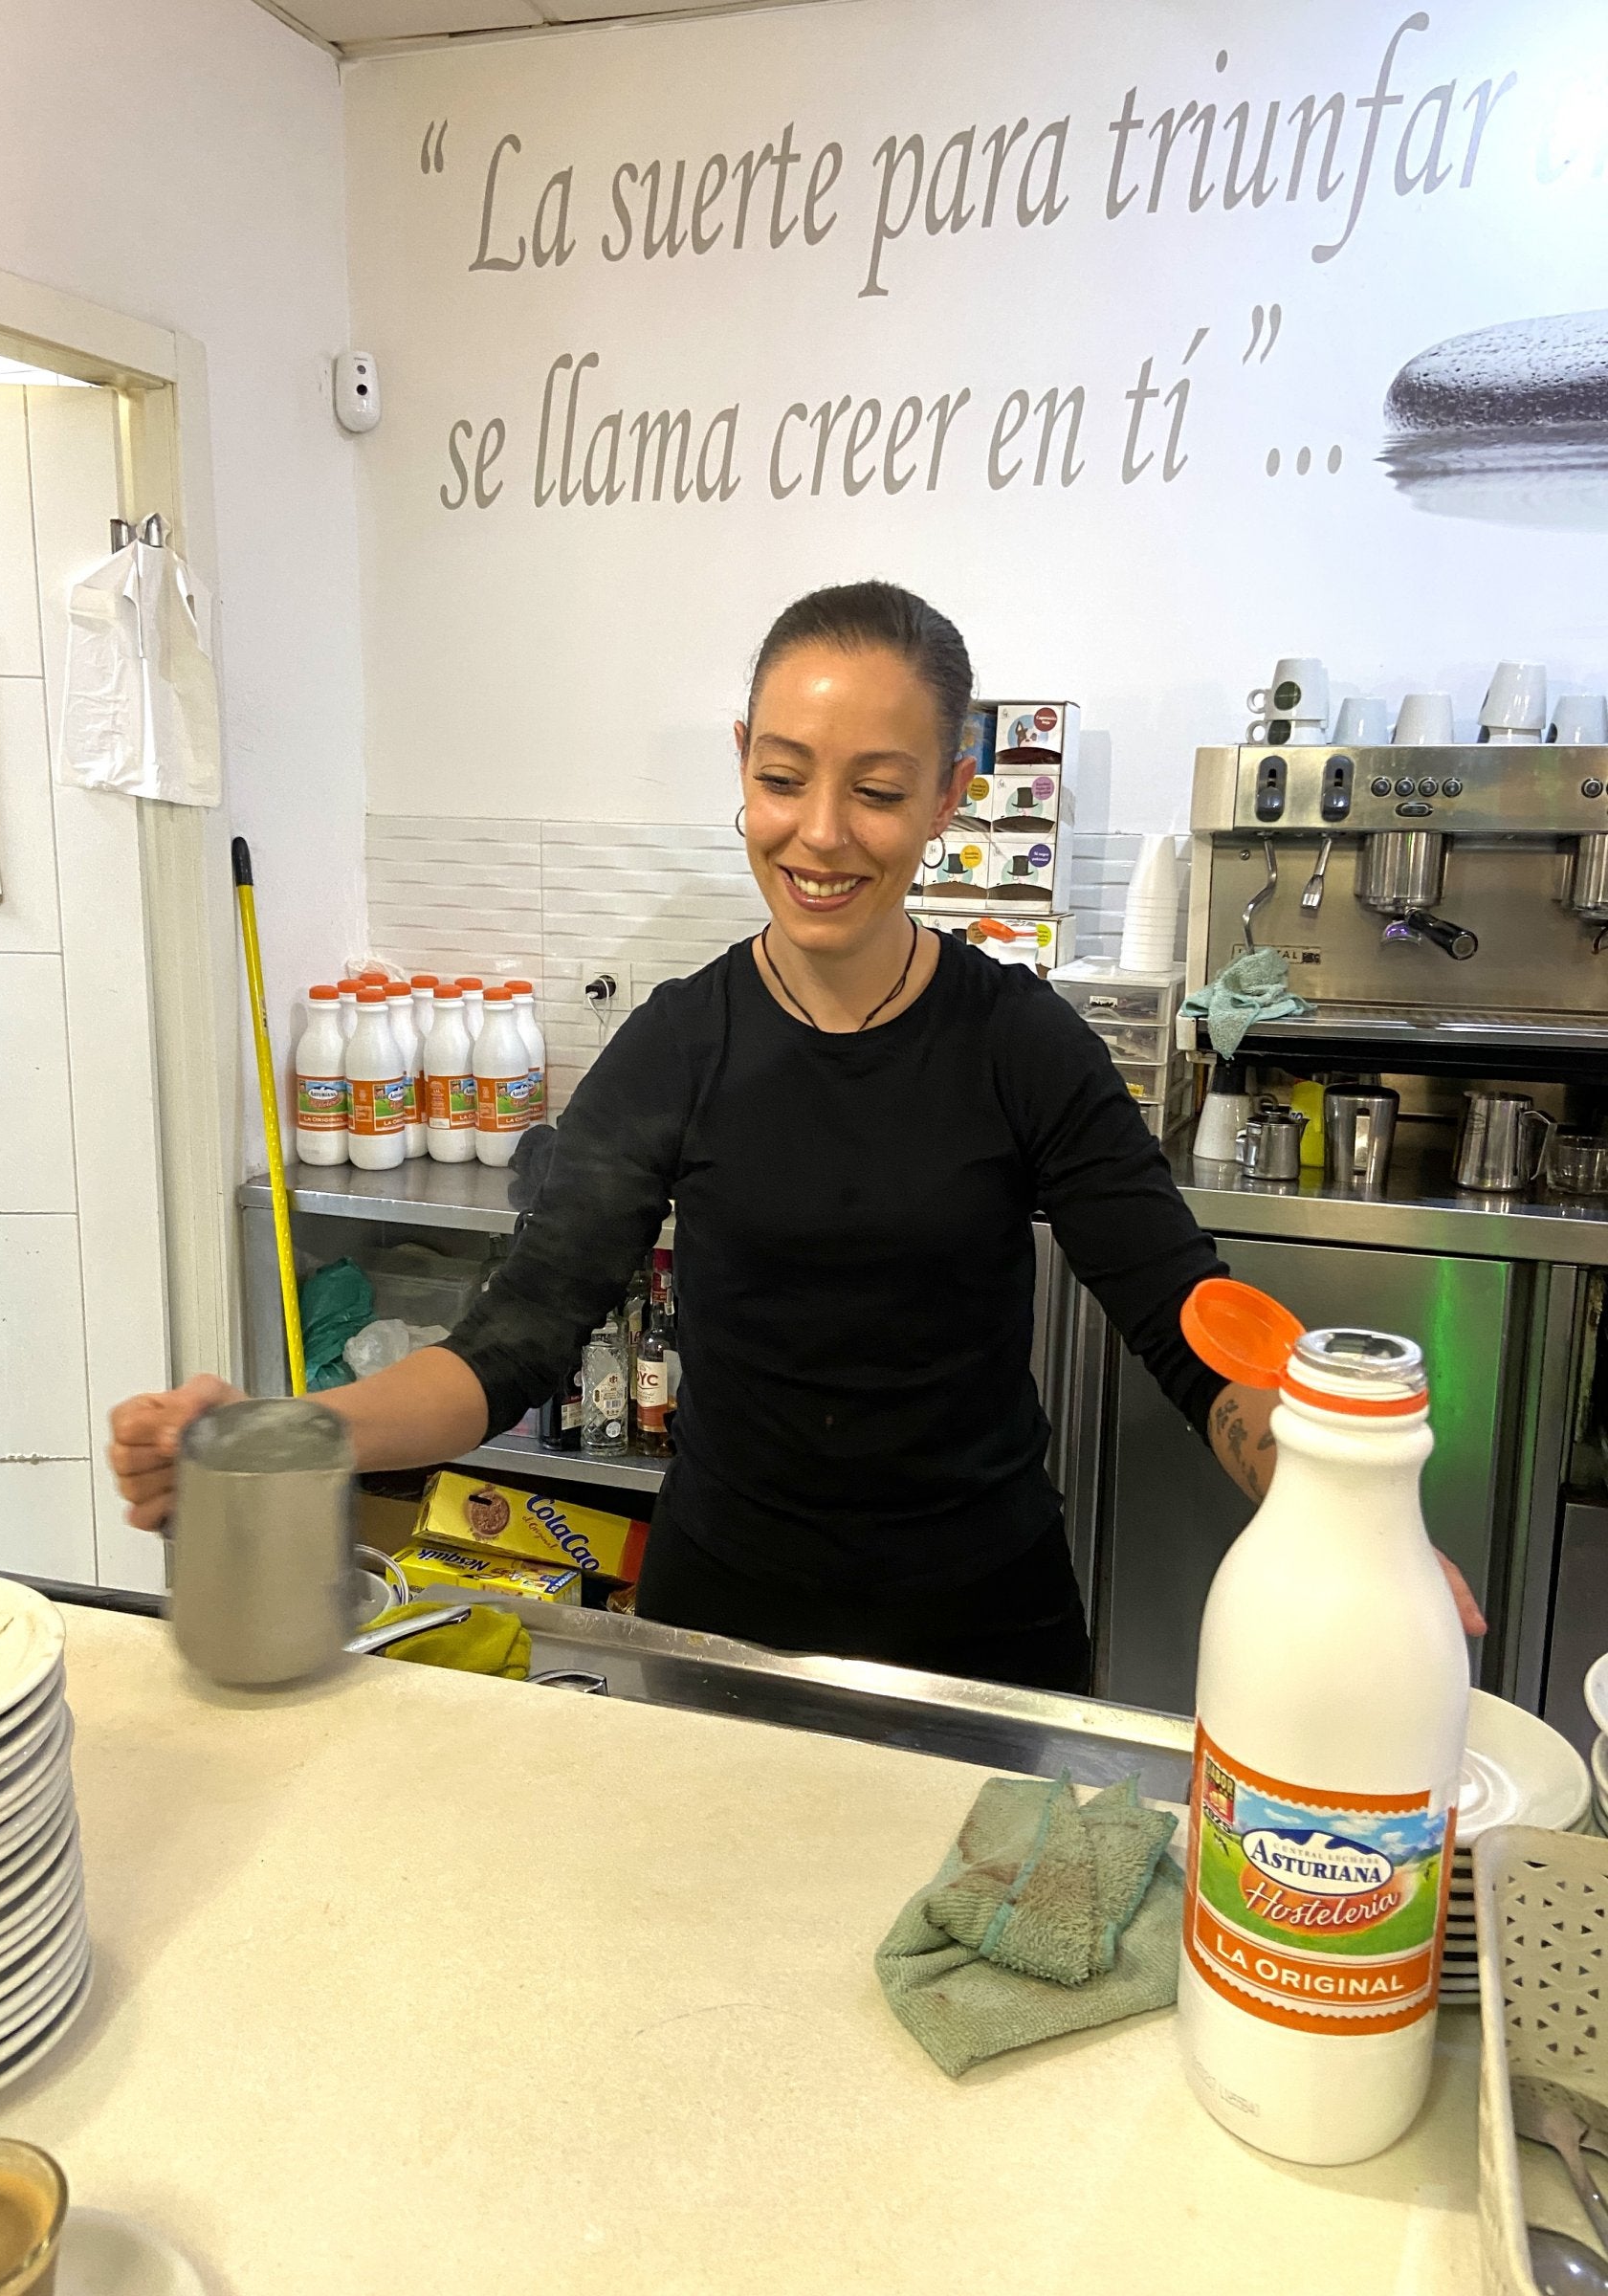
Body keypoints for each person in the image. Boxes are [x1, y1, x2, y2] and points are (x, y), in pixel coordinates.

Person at [110, 581, 1484, 1689]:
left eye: (879, 792)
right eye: (784, 778)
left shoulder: (1020, 1046)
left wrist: (1345, 1517)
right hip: (725, 1627)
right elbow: (509, 1349)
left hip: (983, 1642)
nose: (820, 835)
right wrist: (289, 1430)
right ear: (744, 771)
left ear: (950, 799)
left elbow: (1189, 1324)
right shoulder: (676, 1045)